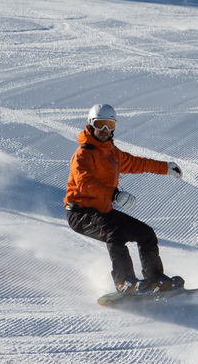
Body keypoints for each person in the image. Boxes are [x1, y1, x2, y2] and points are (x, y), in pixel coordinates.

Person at [64, 103, 185, 295]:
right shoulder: (83, 155)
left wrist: (165, 168)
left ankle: (155, 279)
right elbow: (85, 184)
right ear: (90, 125)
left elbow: (137, 163)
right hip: (80, 212)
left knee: (146, 233)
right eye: (100, 124)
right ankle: (124, 282)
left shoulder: (112, 153)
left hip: (102, 211)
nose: (104, 130)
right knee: (114, 233)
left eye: (109, 125)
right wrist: (114, 195)